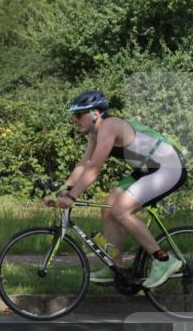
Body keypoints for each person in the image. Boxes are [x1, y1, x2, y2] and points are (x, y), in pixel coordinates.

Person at [52, 90, 187, 288]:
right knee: (108, 208)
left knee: (121, 210)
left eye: (79, 115)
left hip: (168, 167)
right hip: (147, 169)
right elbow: (84, 164)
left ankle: (163, 260)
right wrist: (64, 190)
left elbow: (94, 169)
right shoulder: (95, 133)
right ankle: (116, 266)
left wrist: (72, 196)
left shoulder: (110, 126)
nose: (75, 119)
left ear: (95, 113)